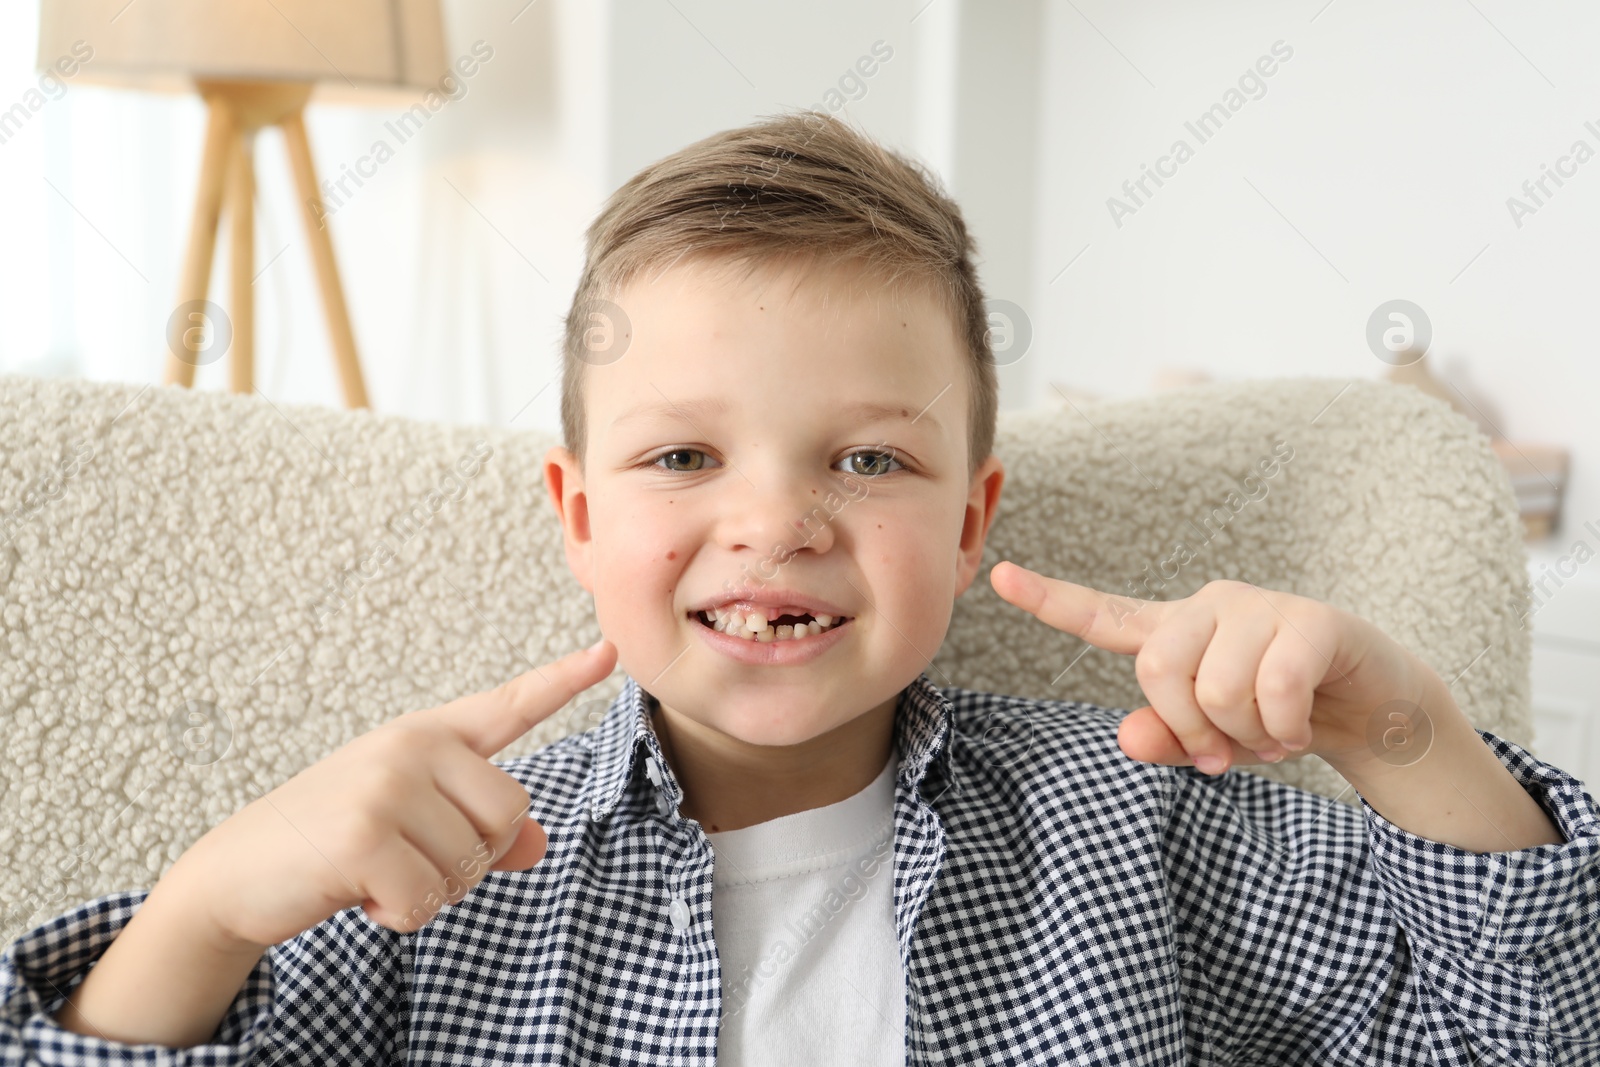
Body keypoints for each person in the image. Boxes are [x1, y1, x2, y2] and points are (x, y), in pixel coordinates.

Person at [3, 111, 1597, 1066]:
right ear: (574, 513)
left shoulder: (1148, 828)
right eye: (684, 460)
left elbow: (1529, 1036)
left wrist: (1402, 735)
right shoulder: (437, 876)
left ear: (974, 521)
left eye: (869, 463)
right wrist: (204, 908)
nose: (772, 524)